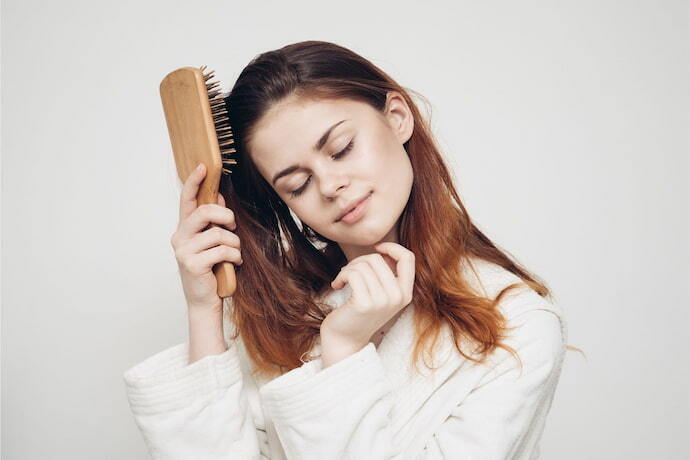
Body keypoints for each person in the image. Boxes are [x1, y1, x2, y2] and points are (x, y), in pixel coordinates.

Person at [123, 40, 575, 459]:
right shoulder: (283, 314)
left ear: (397, 116)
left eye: (341, 149)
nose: (331, 185)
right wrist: (203, 310)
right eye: (297, 184)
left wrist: (342, 350)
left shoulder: (516, 327)